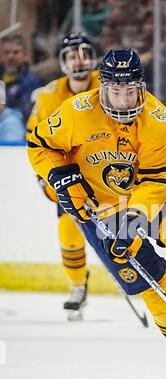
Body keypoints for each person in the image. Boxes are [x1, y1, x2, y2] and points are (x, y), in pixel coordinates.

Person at [27, 48, 166, 379]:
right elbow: (40, 144)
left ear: (141, 86)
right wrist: (61, 175)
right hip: (98, 207)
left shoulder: (159, 120)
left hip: (149, 194)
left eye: (131, 90)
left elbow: (159, 179)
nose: (124, 99)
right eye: (116, 90)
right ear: (103, 87)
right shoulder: (77, 112)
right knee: (149, 281)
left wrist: (136, 216)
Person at [27, 33, 99, 321]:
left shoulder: (109, 87)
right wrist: (45, 174)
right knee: (69, 234)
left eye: (83, 54)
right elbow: (35, 139)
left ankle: (132, 276)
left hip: (105, 172)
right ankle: (78, 286)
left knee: (122, 229)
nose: (78, 60)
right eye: (71, 55)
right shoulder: (48, 96)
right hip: (70, 178)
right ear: (62, 61)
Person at [0, 34, 44, 123]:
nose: (11, 57)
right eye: (7, 52)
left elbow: (28, 114)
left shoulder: (32, 82)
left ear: (25, 55)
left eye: (16, 52)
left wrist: (5, 111)